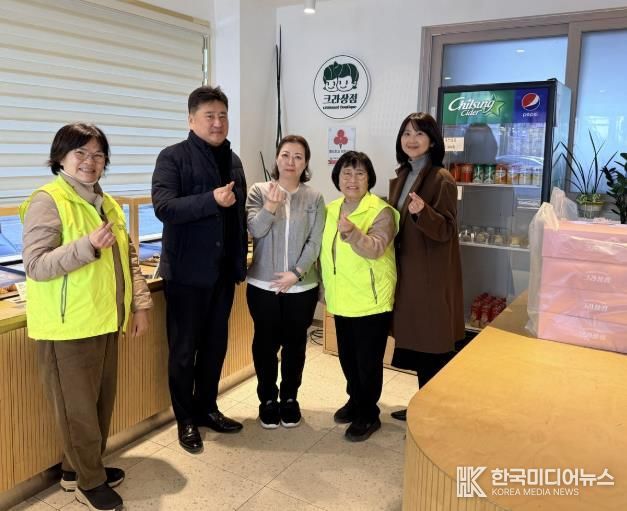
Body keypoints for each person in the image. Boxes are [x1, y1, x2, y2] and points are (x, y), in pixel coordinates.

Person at [20, 122, 152, 511]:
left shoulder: (105, 202)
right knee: (77, 410)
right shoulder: (47, 200)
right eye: (80, 153)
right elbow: (36, 265)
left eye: (97, 154)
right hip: (67, 327)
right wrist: (87, 246)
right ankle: (89, 482)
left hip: (105, 319)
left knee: (97, 405)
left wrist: (139, 304)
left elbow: (127, 257)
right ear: (60, 157)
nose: (89, 162)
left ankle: (75, 470)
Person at [152, 86, 248, 453]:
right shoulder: (172, 157)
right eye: (209, 116)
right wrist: (211, 200)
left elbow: (237, 217)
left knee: (214, 346)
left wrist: (238, 262)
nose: (218, 122)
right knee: (183, 350)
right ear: (191, 120)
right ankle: (186, 419)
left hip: (222, 274)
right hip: (186, 275)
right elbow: (165, 207)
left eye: (222, 115)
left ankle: (208, 407)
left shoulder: (234, 161)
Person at [388, 112, 464, 421]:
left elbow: (447, 229)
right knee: (419, 342)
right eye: (406, 133)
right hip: (408, 271)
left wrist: (423, 213)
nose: (412, 139)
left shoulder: (441, 178)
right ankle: (423, 407)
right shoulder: (403, 175)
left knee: (431, 343)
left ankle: (432, 413)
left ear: (432, 141)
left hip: (430, 276)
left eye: (419, 133)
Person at [245, 135, 325, 429]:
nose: (291, 161)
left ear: (305, 163)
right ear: (277, 159)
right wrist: (270, 206)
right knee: (265, 344)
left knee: (295, 344)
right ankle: (267, 399)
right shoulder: (258, 191)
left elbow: (315, 241)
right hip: (262, 285)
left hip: (301, 287)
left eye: (298, 157)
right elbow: (255, 230)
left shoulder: (314, 197)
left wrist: (297, 272)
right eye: (286, 155)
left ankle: (290, 398)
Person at [320, 151, 399, 442]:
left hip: (371, 301)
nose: (352, 179)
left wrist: (353, 232)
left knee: (368, 362)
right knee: (348, 358)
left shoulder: (381, 211)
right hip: (341, 299)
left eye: (359, 173)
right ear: (338, 178)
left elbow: (376, 248)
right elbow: (325, 254)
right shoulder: (331, 209)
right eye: (346, 173)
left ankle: (368, 413)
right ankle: (355, 400)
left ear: (369, 179)